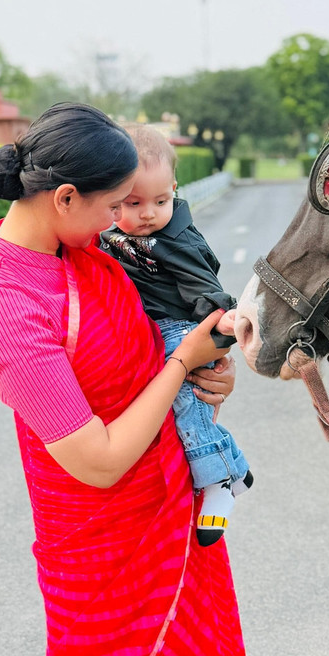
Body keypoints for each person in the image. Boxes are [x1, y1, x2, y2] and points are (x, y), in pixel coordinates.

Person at [0, 103, 259, 656]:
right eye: (112, 206)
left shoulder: (91, 251)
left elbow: (159, 343)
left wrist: (208, 372)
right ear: (65, 197)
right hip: (101, 556)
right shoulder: (8, 304)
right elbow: (95, 462)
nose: (120, 222)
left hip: (175, 523)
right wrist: (181, 363)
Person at [100, 125, 250, 546]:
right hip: (149, 327)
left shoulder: (174, 239)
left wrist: (220, 322)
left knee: (184, 397)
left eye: (161, 201)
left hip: (179, 326)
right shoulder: (111, 233)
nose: (148, 213)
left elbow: (204, 285)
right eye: (133, 203)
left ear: (175, 191)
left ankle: (219, 477)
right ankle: (232, 464)